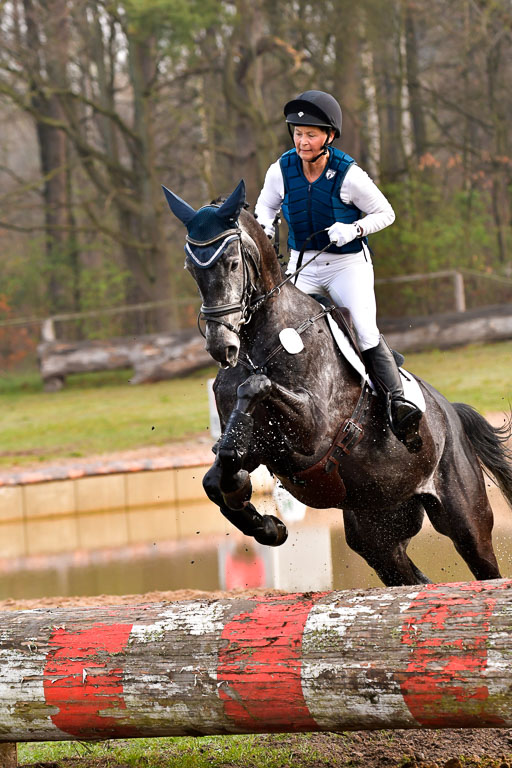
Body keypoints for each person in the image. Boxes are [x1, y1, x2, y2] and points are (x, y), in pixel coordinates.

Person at [254, 90, 422, 452]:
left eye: (310, 133)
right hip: (303, 263)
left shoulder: (349, 175)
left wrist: (355, 228)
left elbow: (386, 213)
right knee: (288, 331)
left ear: (329, 136)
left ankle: (397, 401)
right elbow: (264, 210)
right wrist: (265, 231)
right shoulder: (280, 170)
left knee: (363, 331)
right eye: (297, 132)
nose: (302, 140)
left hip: (347, 264)